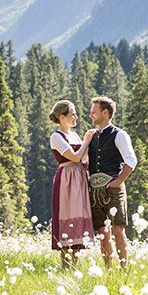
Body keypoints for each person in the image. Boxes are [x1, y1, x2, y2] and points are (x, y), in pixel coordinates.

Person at [87, 96, 137, 268]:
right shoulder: (91, 136)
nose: (91, 115)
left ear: (105, 113)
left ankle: (124, 269)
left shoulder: (119, 134)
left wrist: (118, 181)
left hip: (114, 190)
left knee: (118, 230)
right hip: (95, 191)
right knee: (102, 232)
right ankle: (108, 270)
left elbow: (131, 161)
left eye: (94, 112)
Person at [49, 100, 96, 268]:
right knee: (67, 217)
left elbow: (82, 158)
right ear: (62, 117)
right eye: (72, 114)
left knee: (79, 220)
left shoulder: (74, 136)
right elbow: (75, 157)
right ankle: (65, 266)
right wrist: (87, 140)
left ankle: (74, 267)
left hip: (79, 177)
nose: (76, 117)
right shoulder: (56, 137)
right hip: (67, 180)